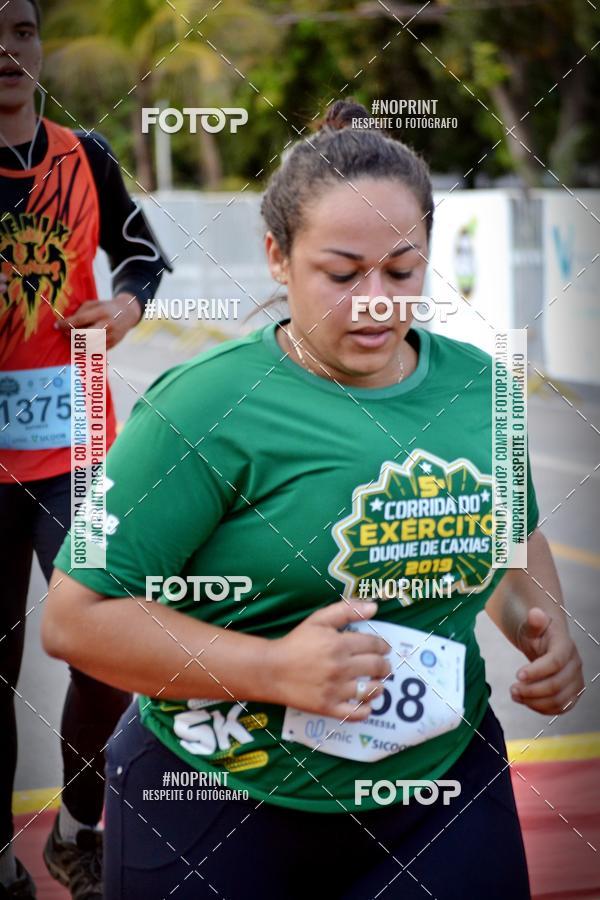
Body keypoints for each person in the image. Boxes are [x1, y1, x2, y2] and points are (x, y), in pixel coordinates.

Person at [42, 99, 583, 900]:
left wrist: (547, 631)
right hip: (218, 793)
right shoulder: (203, 405)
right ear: (276, 256)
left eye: (402, 270)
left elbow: (512, 544)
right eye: (342, 273)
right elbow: (74, 619)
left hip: (438, 788)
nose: (375, 300)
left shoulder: (486, 388)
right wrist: (274, 669)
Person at [0, 1, 173, 896]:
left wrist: (131, 303)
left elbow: (143, 253)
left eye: (21, 29)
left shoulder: (84, 156)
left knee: (106, 650)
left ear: (38, 46)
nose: (7, 47)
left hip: (77, 450)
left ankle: (77, 827)